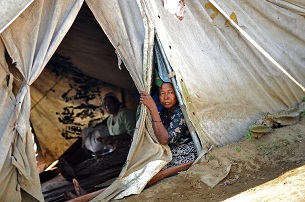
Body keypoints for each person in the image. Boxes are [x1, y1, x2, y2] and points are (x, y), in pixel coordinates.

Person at [60, 92, 136, 181]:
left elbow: (133, 134)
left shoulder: (124, 113)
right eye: (105, 104)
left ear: (116, 103)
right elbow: (113, 138)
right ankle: (75, 169)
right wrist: (106, 141)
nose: (107, 106)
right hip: (117, 147)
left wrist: (113, 138)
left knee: (103, 161)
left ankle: (77, 174)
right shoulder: (109, 120)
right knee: (96, 158)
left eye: (110, 103)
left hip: (130, 148)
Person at [140, 82, 197, 185]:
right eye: (162, 93)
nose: (166, 97)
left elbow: (165, 139)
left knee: (155, 168)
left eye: (170, 92)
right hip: (172, 151)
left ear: (177, 94)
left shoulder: (181, 111)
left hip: (186, 152)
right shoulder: (165, 112)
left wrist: (153, 108)